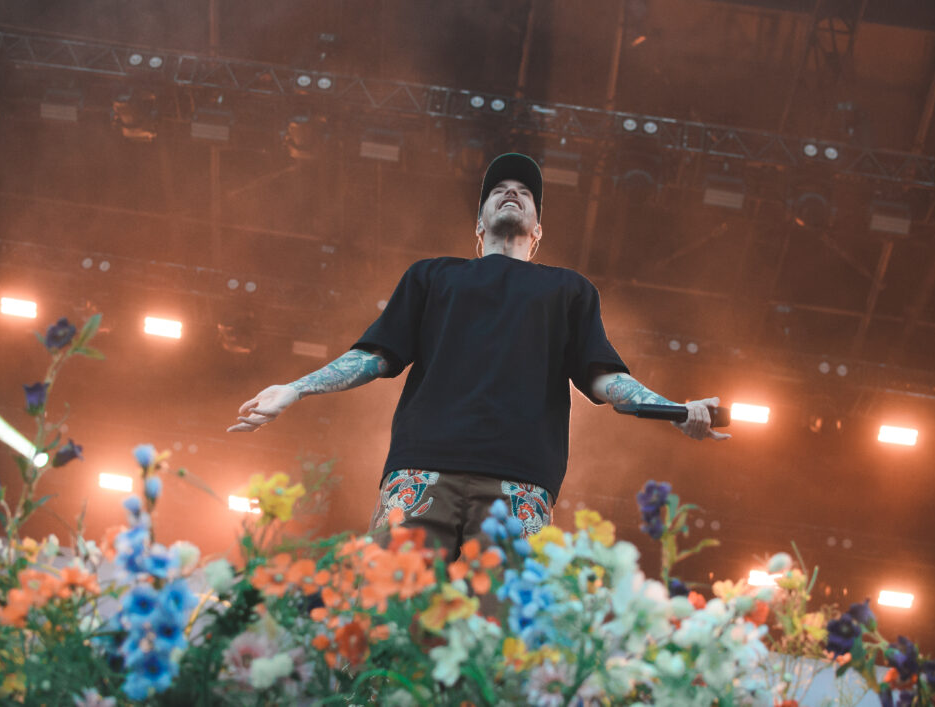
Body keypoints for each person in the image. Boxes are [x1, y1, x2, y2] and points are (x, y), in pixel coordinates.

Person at [228, 153, 730, 560]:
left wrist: (675, 410)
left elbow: (605, 379)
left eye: (526, 192)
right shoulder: (432, 276)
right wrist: (294, 388)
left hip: (520, 483)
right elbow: (375, 355)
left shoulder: (569, 290)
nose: (511, 192)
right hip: (420, 472)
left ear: (537, 231)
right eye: (498, 190)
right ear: (479, 222)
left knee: (498, 647)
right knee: (389, 628)